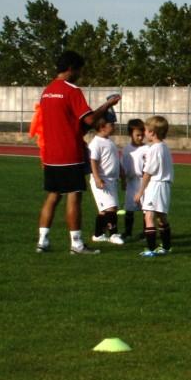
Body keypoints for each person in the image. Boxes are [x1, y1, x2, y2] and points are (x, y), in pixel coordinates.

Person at [35, 50, 121, 255]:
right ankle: (77, 244)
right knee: (74, 196)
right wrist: (108, 104)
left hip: (51, 154)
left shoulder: (47, 91)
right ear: (71, 68)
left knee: (53, 196)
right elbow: (90, 120)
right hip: (69, 152)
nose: (80, 74)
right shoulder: (71, 90)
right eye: (79, 70)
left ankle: (42, 241)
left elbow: (72, 125)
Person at [135, 115, 174, 257]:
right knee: (161, 217)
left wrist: (140, 192)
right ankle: (166, 247)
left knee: (149, 216)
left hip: (156, 185)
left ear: (152, 132)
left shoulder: (154, 149)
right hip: (165, 185)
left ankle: (150, 249)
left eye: (145, 130)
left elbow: (148, 172)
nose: (144, 133)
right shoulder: (165, 148)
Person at [88, 116, 124, 245]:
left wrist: (121, 174)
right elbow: (93, 161)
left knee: (104, 210)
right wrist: (97, 178)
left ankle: (98, 234)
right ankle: (113, 234)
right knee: (111, 208)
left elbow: (115, 160)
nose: (114, 127)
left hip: (111, 180)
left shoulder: (109, 141)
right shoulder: (96, 143)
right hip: (102, 180)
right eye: (111, 125)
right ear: (102, 127)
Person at [120, 118, 146, 240]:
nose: (140, 138)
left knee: (146, 208)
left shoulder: (147, 149)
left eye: (142, 135)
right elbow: (123, 167)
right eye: (137, 135)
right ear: (130, 134)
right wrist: (123, 180)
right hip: (131, 182)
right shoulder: (126, 150)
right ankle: (128, 232)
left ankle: (147, 232)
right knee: (129, 208)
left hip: (144, 182)